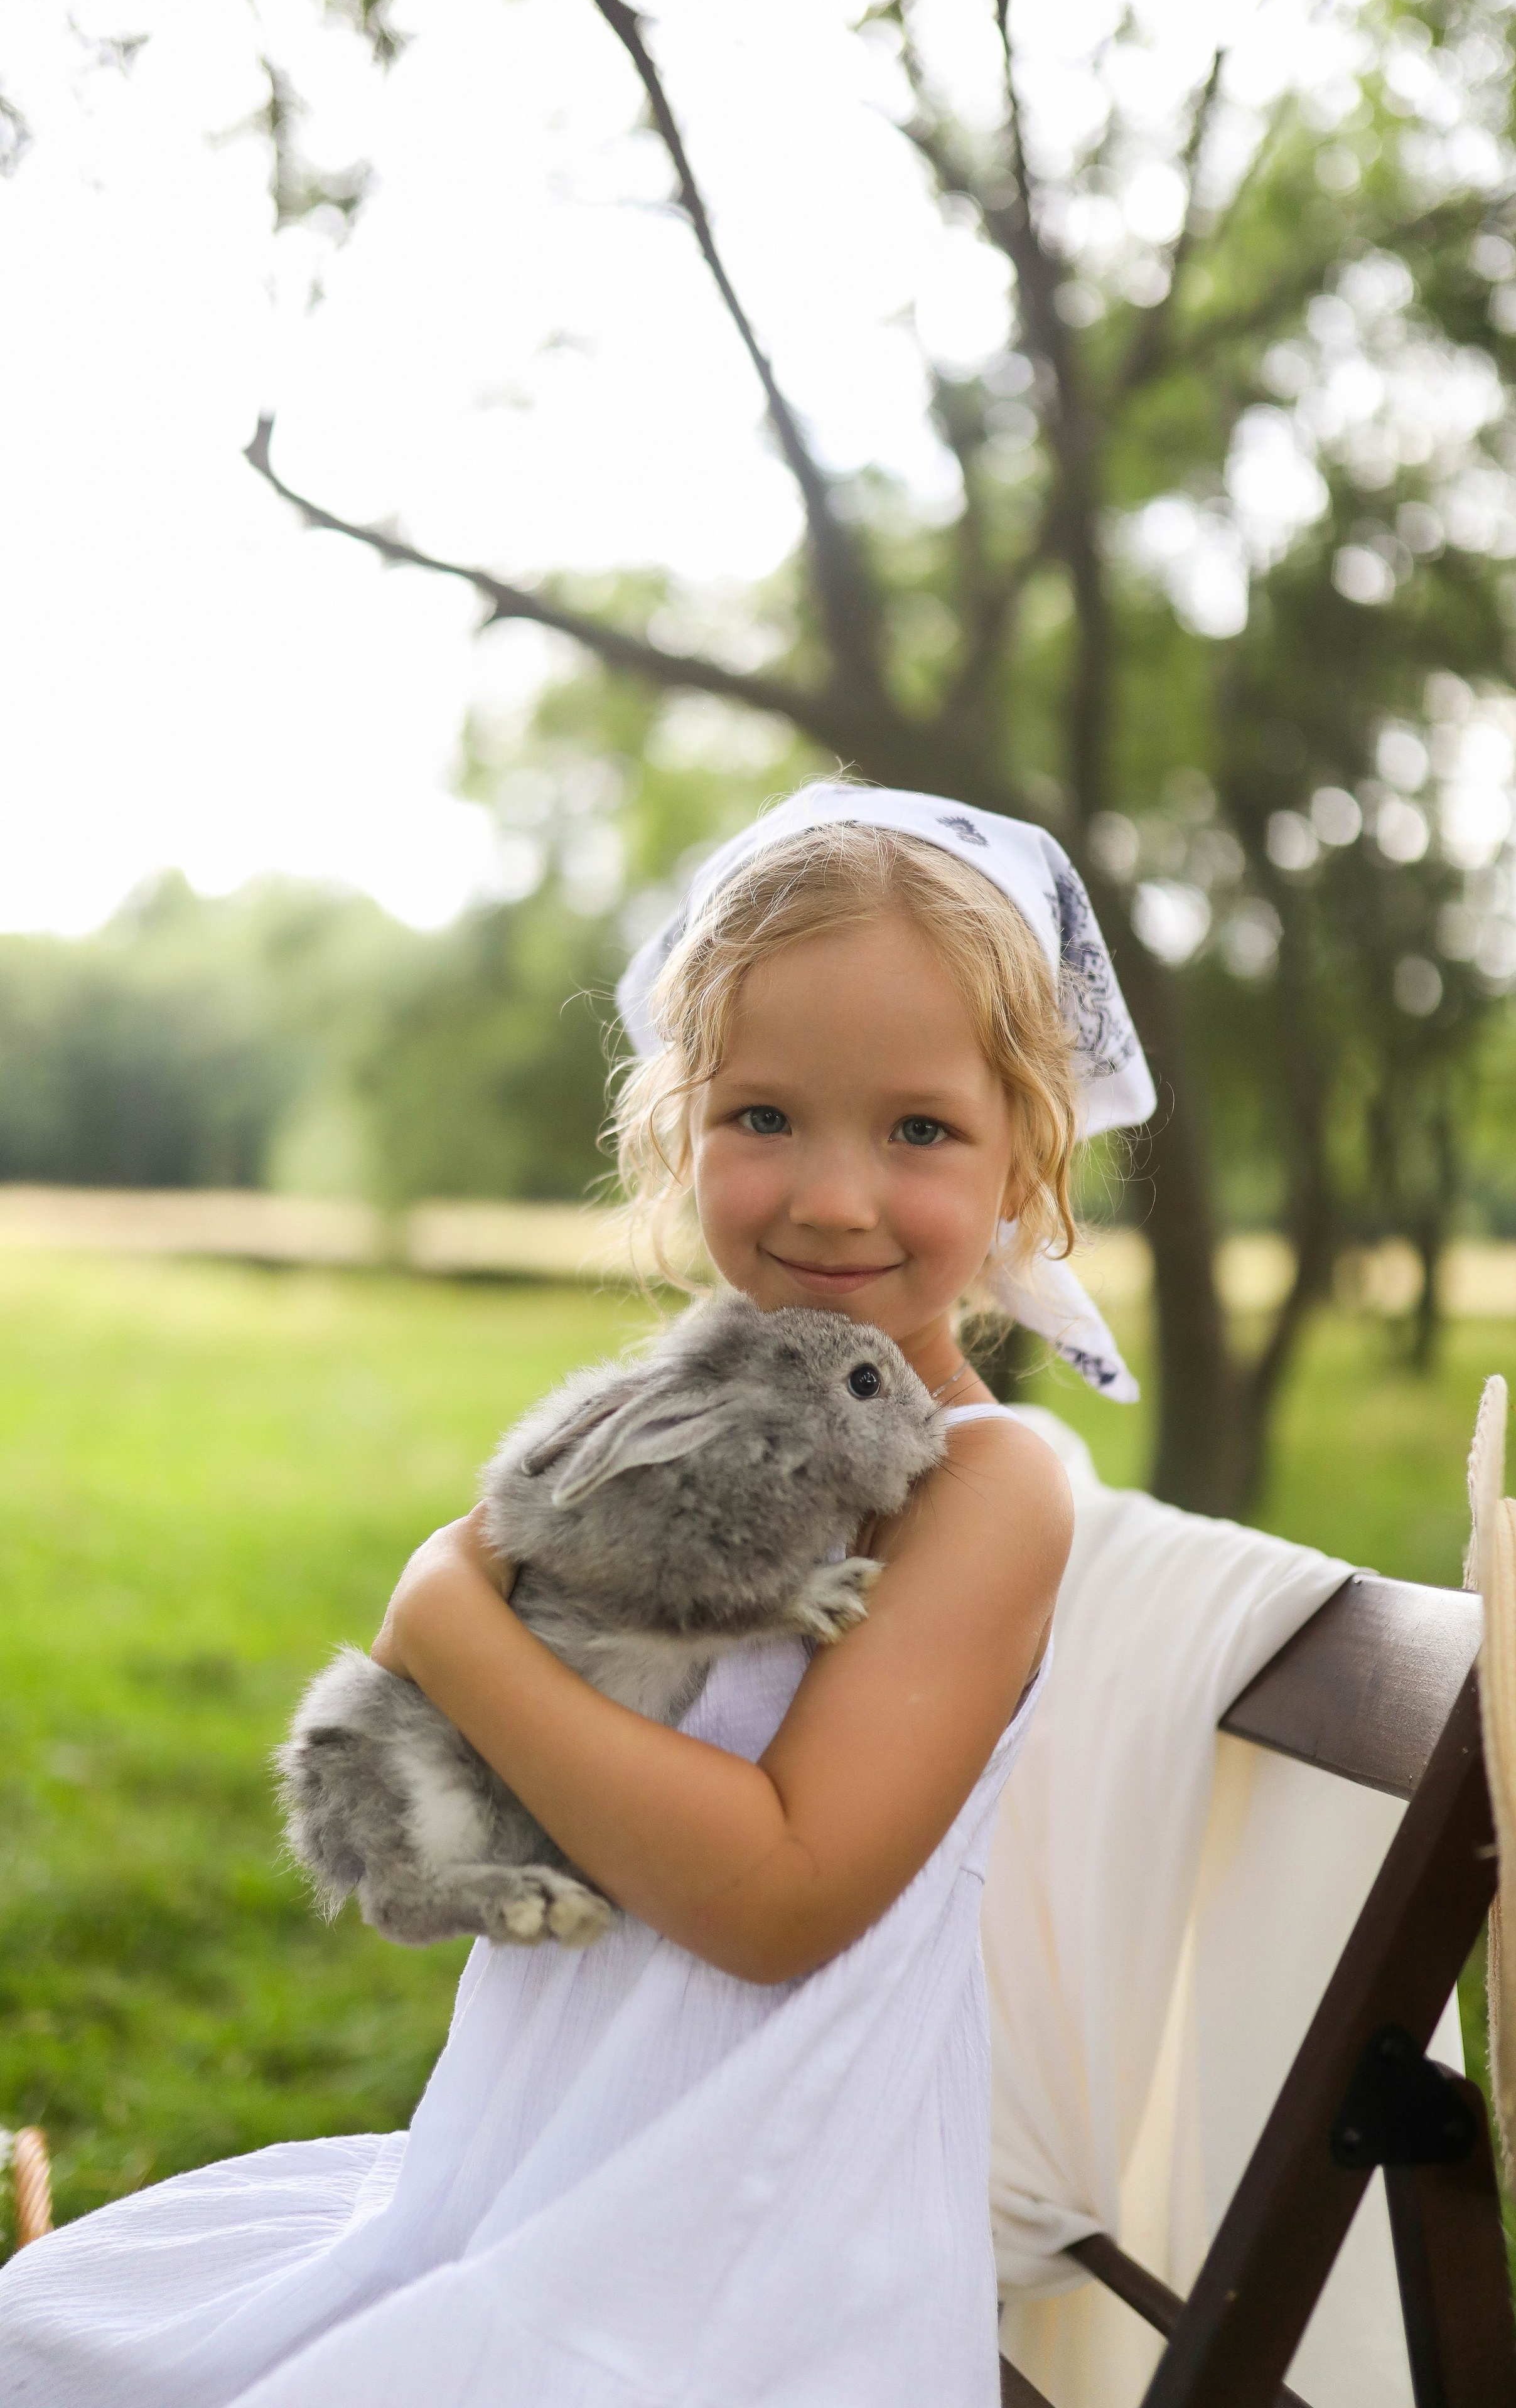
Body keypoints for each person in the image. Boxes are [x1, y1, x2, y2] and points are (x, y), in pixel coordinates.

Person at [0, 784, 1154, 2407]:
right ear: (679, 1126)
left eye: (918, 1129)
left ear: (1031, 1163)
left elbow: (781, 1897)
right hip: (542, 2154)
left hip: (745, 2250)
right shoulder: (669, 1403)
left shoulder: (987, 1484)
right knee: (59, 2343)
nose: (832, 1194)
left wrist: (443, 1613)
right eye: (763, 1117)